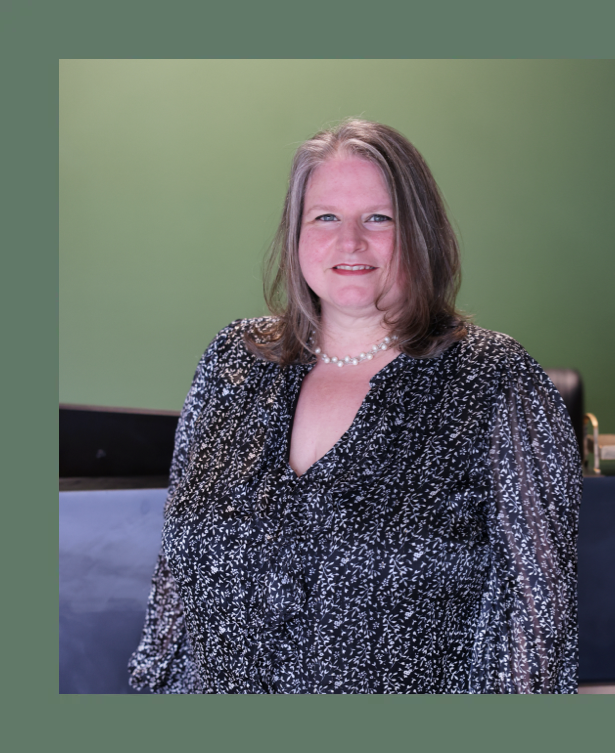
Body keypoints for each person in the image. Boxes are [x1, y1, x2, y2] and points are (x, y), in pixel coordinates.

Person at [128, 119, 581, 694]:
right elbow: (175, 578)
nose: (350, 242)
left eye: (379, 218)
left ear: (422, 233)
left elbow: (537, 615)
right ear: (296, 235)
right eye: (325, 217)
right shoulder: (232, 362)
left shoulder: (495, 379)